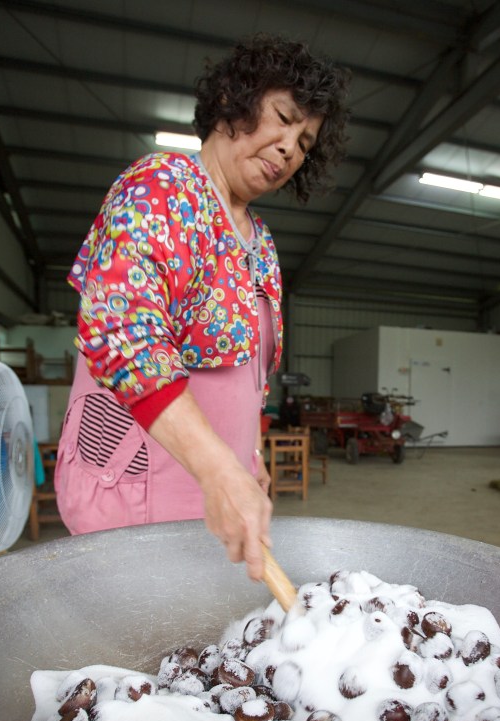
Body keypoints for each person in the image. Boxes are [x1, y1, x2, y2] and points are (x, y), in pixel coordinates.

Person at [54, 33, 350, 581]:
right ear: (230, 102)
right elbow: (122, 333)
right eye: (282, 117)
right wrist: (220, 470)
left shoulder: (261, 243)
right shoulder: (162, 188)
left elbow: (249, 377)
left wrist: (251, 459)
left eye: (305, 142)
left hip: (213, 502)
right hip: (138, 492)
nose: (290, 147)